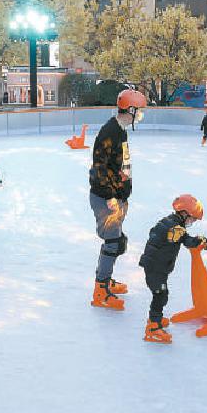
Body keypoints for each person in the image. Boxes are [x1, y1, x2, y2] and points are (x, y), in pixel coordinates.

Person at [89, 88, 147, 310]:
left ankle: (106, 279)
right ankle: (100, 290)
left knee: (117, 241)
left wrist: (124, 192)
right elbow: (99, 167)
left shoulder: (121, 130)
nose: (140, 115)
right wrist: (111, 196)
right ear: (130, 109)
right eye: (139, 111)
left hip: (116, 196)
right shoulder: (109, 132)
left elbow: (122, 166)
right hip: (106, 198)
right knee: (112, 243)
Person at [138, 194, 207, 343]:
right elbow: (188, 241)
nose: (192, 222)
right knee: (161, 295)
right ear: (184, 213)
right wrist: (200, 240)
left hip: (157, 266)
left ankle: (155, 319)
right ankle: (153, 328)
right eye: (192, 219)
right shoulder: (174, 229)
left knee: (161, 294)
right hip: (155, 268)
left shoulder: (170, 223)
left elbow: (157, 233)